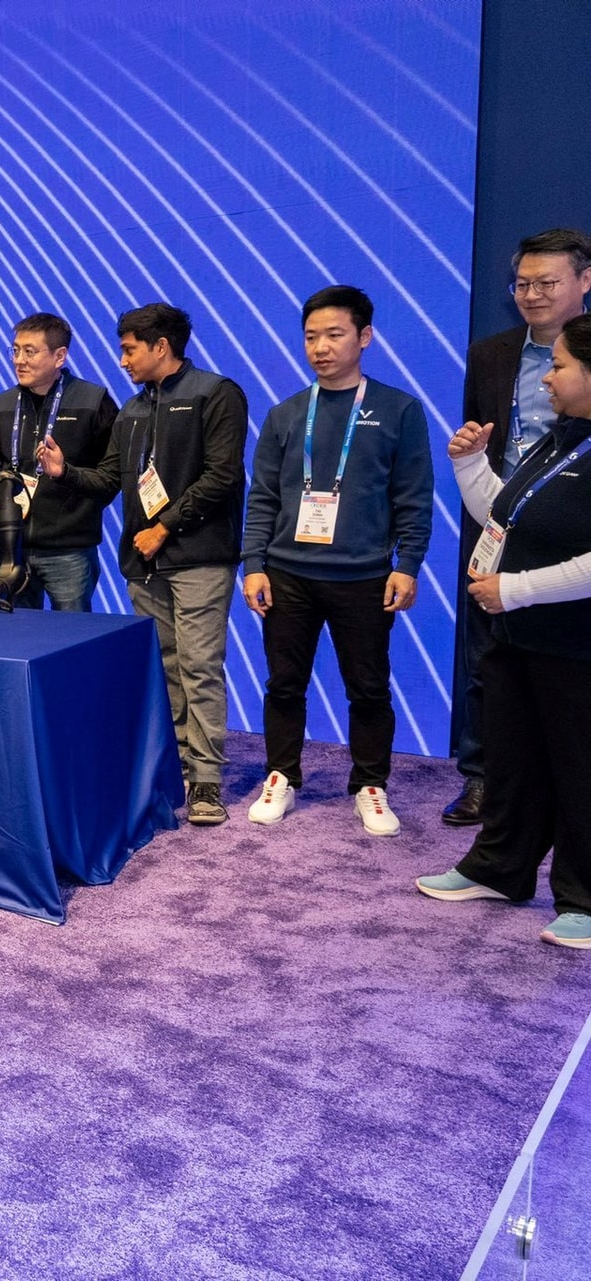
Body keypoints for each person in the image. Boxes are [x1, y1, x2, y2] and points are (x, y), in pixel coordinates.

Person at [415, 313, 591, 949]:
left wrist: (514, 589)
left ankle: (584, 897)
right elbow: (504, 514)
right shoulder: (562, 438)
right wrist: (469, 465)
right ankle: (499, 867)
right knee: (513, 761)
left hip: (576, 647)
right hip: (517, 640)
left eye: (560, 366)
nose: (547, 377)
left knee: (580, 770)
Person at [40, 303, 246, 825]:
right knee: (165, 668)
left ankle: (207, 779)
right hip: (144, 563)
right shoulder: (132, 409)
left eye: (130, 349)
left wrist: (165, 527)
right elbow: (110, 479)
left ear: (161, 346)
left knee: (199, 667)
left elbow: (222, 476)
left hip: (198, 558)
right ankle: (175, 766)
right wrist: (65, 472)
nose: (122, 359)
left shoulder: (216, 393)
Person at [238, 286, 434, 835]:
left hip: (365, 576)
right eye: (310, 337)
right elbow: (263, 497)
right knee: (284, 684)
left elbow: (414, 496)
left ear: (364, 337)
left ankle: (370, 784)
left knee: (368, 687)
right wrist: (253, 564)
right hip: (287, 574)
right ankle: (282, 775)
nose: (320, 348)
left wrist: (408, 564)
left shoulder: (398, 410)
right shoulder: (285, 414)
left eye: (334, 335)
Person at [444, 227, 591, 826]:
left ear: (584, 281)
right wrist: (468, 458)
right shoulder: (491, 354)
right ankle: (485, 779)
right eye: (522, 284)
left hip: (572, 529)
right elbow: (478, 436)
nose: (532, 295)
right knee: (489, 664)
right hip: (498, 522)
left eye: (546, 283)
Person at [0, 312, 118, 611]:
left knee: (73, 634)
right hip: (13, 547)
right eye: (15, 350)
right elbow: (2, 467)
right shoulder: (2, 406)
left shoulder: (93, 401)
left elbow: (110, 479)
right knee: (18, 631)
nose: (19, 360)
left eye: (30, 352)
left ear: (59, 356)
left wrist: (67, 479)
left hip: (69, 551)